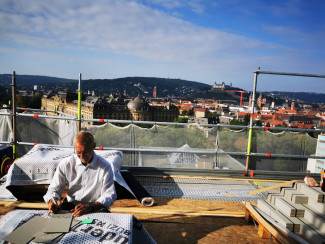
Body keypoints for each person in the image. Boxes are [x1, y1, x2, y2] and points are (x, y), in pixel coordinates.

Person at [43, 131, 116, 217]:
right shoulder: (66, 164)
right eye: (78, 153)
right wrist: (53, 200)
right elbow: (54, 189)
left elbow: (109, 194)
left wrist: (91, 207)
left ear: (93, 146)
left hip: (95, 207)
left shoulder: (105, 166)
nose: (82, 156)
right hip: (71, 205)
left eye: (85, 152)